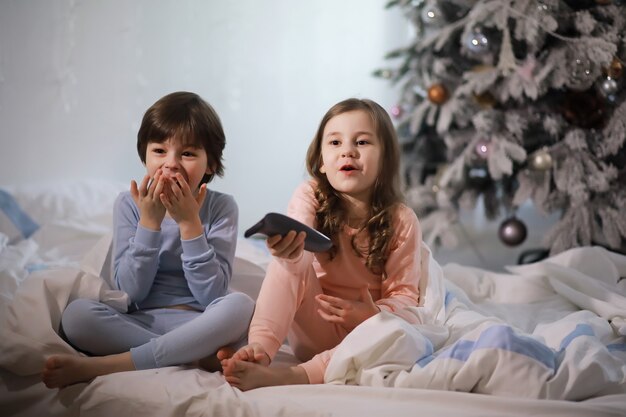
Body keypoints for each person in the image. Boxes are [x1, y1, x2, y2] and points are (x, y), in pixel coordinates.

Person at [42, 91, 254, 388]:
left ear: (211, 164)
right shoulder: (128, 205)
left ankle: (109, 365)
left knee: (241, 305)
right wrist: (149, 223)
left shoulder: (221, 207)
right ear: (144, 157)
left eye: (188, 153)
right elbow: (130, 292)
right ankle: (190, 356)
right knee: (76, 317)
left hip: (198, 322)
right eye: (159, 151)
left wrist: (190, 224)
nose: (171, 164)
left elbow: (213, 296)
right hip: (142, 320)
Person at [220, 98, 423, 390]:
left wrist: (372, 314)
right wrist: (288, 253)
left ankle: (289, 376)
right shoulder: (310, 195)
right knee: (289, 266)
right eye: (335, 143)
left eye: (362, 142)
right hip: (317, 323)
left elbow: (404, 297)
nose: (348, 151)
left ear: (385, 159)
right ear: (321, 163)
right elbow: (299, 244)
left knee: (402, 329)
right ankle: (260, 350)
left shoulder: (401, 220)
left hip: (366, 334)